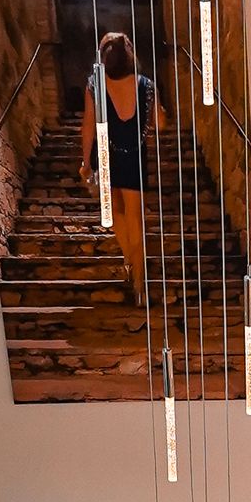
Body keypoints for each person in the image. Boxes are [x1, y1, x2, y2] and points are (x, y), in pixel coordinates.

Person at [81, 29, 160, 303]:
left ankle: (128, 260)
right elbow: (157, 124)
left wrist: (85, 164)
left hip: (107, 156)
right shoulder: (146, 85)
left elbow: (88, 126)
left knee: (115, 211)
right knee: (135, 218)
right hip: (136, 155)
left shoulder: (94, 85)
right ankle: (139, 280)